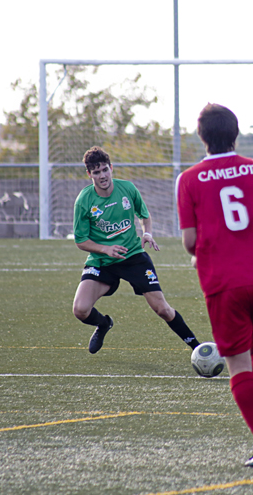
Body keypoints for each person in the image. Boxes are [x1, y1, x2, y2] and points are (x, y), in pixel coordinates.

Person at [177, 103, 253, 468]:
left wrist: (202, 252)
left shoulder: (189, 179)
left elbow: (189, 241)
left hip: (224, 282)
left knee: (237, 363)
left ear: (201, 137)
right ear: (236, 133)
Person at [72, 146, 200, 354]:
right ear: (89, 174)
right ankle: (104, 324)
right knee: (80, 310)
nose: (102, 176)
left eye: (105, 170)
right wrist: (105, 249)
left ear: (111, 168)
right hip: (102, 261)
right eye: (96, 172)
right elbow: (81, 241)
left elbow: (144, 216)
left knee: (163, 309)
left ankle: (198, 348)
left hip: (133, 257)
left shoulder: (127, 189)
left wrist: (147, 233)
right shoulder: (84, 200)